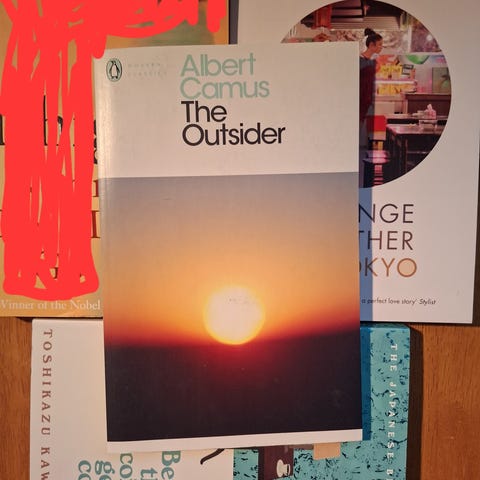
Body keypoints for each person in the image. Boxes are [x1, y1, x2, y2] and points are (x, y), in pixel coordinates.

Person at [359, 28, 383, 124]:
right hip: (360, 100)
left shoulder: (372, 61)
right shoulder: (359, 60)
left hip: (367, 100)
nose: (381, 47)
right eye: (380, 44)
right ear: (371, 45)